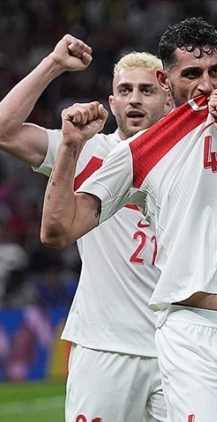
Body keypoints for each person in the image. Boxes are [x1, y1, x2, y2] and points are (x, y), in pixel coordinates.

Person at [40, 17, 217, 421]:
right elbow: (59, 230)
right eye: (192, 74)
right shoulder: (142, 148)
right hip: (191, 332)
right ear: (165, 80)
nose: (206, 85)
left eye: (215, 71)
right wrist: (69, 146)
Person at [0, 35, 170, 421]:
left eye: (146, 90)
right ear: (112, 103)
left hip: (177, 345)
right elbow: (4, 130)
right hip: (104, 344)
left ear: (168, 100)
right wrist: (54, 64)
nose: (134, 99)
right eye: (125, 91)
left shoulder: (189, 160)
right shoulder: (88, 150)